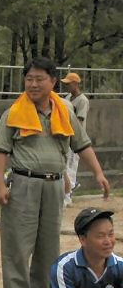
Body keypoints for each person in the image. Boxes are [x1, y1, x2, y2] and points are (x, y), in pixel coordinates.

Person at [0, 57, 109, 288]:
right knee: (17, 244)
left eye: (39, 79)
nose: (33, 84)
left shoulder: (64, 110)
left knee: (48, 245)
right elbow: (1, 150)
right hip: (23, 183)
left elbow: (82, 144)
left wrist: (98, 172)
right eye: (29, 79)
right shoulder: (13, 113)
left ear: (53, 82)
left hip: (54, 184)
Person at [61, 72, 90, 207]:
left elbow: (79, 120)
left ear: (76, 84)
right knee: (65, 166)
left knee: (71, 167)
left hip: (75, 137)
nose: (66, 86)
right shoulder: (68, 98)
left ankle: (68, 196)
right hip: (66, 135)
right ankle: (66, 192)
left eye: (69, 83)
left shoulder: (82, 100)